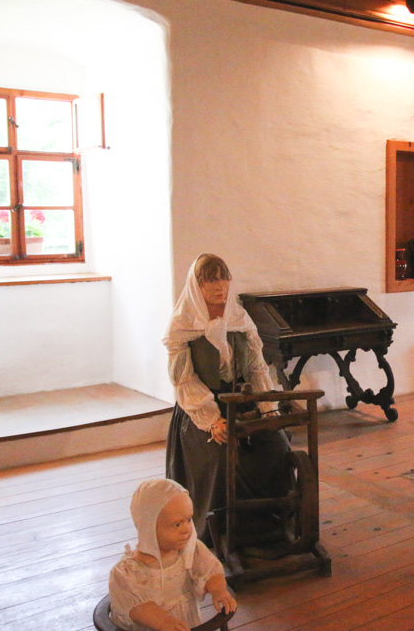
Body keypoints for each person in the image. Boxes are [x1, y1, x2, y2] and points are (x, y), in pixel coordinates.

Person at [163, 253, 291, 546]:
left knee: (277, 445)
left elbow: (258, 367)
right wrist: (212, 420)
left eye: (223, 278)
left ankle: (272, 523)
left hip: (243, 401)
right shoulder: (183, 325)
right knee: (222, 455)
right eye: (210, 280)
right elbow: (184, 379)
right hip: (201, 409)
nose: (220, 286)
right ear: (197, 285)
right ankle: (221, 531)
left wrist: (269, 410)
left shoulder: (239, 319)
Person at [109, 478, 237, 631]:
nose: (186, 529)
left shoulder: (190, 551)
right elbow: (138, 606)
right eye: (177, 524)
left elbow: (209, 571)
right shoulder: (128, 574)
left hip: (186, 625)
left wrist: (219, 591)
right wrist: (163, 622)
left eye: (188, 520)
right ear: (148, 527)